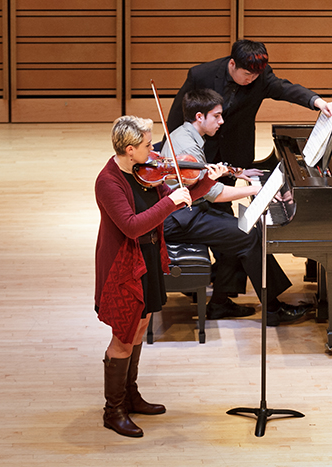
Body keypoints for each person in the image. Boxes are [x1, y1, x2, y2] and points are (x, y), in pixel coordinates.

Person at [166, 38, 332, 300]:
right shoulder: (200, 74)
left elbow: (286, 89)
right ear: (232, 64)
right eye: (247, 74)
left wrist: (317, 102)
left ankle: (224, 291)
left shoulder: (260, 77)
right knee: (232, 225)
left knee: (230, 223)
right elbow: (177, 117)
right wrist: (181, 158)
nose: (251, 80)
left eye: (256, 75)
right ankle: (219, 291)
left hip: (232, 158)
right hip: (200, 159)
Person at [94, 115, 229, 437]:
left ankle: (130, 396)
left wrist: (207, 182)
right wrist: (170, 202)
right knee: (123, 336)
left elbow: (182, 195)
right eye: (146, 145)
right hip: (124, 265)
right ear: (129, 150)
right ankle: (112, 411)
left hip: (148, 257)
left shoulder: (144, 172)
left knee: (140, 325)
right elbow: (131, 225)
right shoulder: (109, 182)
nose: (153, 150)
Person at [162, 88, 311, 326]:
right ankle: (272, 310)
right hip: (180, 218)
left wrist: (240, 173)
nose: (222, 121)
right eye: (217, 116)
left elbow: (203, 171)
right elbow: (214, 193)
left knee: (238, 232)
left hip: (190, 209)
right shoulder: (187, 147)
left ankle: (220, 303)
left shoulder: (184, 135)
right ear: (199, 117)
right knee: (248, 233)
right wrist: (257, 189)